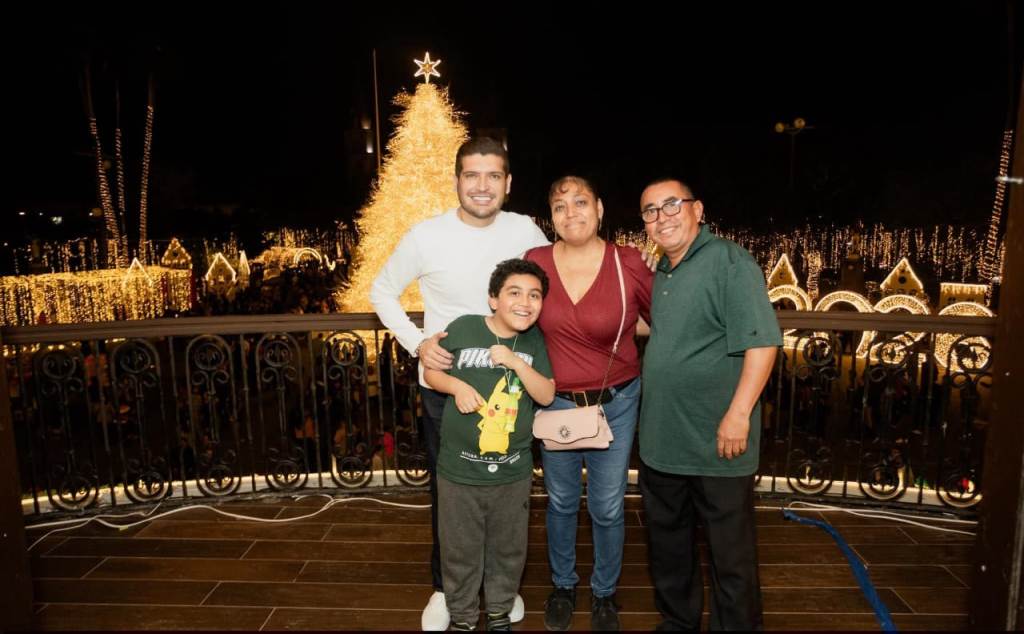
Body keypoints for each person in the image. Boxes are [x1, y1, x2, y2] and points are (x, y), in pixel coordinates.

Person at [370, 137, 549, 630]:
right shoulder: (426, 235)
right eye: (472, 175)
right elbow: (382, 290)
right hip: (446, 385)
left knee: (507, 488)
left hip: (511, 382)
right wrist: (417, 343)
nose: (482, 186)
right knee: (450, 492)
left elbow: (548, 286)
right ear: (457, 181)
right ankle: (445, 589)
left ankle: (500, 588)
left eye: (493, 176)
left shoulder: (525, 230)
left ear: (508, 183)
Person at [637, 178, 781, 631]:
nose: (661, 217)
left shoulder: (729, 262)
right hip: (663, 440)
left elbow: (762, 344)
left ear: (697, 210)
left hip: (718, 440)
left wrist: (738, 415)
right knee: (669, 548)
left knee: (729, 555)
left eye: (671, 205)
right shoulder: (664, 270)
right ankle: (678, 623)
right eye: (650, 211)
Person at [525, 176, 652, 631]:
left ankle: (604, 593)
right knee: (560, 502)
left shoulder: (628, 262)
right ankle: (563, 585)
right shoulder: (536, 261)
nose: (571, 212)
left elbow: (663, 319)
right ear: (551, 217)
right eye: (560, 206)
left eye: (581, 202)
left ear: (599, 209)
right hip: (555, 404)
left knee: (608, 505)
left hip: (616, 402)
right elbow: (515, 317)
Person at [424, 259, 555, 632]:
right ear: (493, 299)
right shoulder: (464, 328)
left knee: (508, 548)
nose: (525, 303)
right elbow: (432, 372)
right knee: (459, 549)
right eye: (514, 293)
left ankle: (499, 611)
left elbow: (546, 394)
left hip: (512, 472)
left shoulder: (533, 340)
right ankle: (463, 617)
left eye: (534, 295)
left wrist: (516, 363)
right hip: (458, 470)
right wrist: (457, 386)